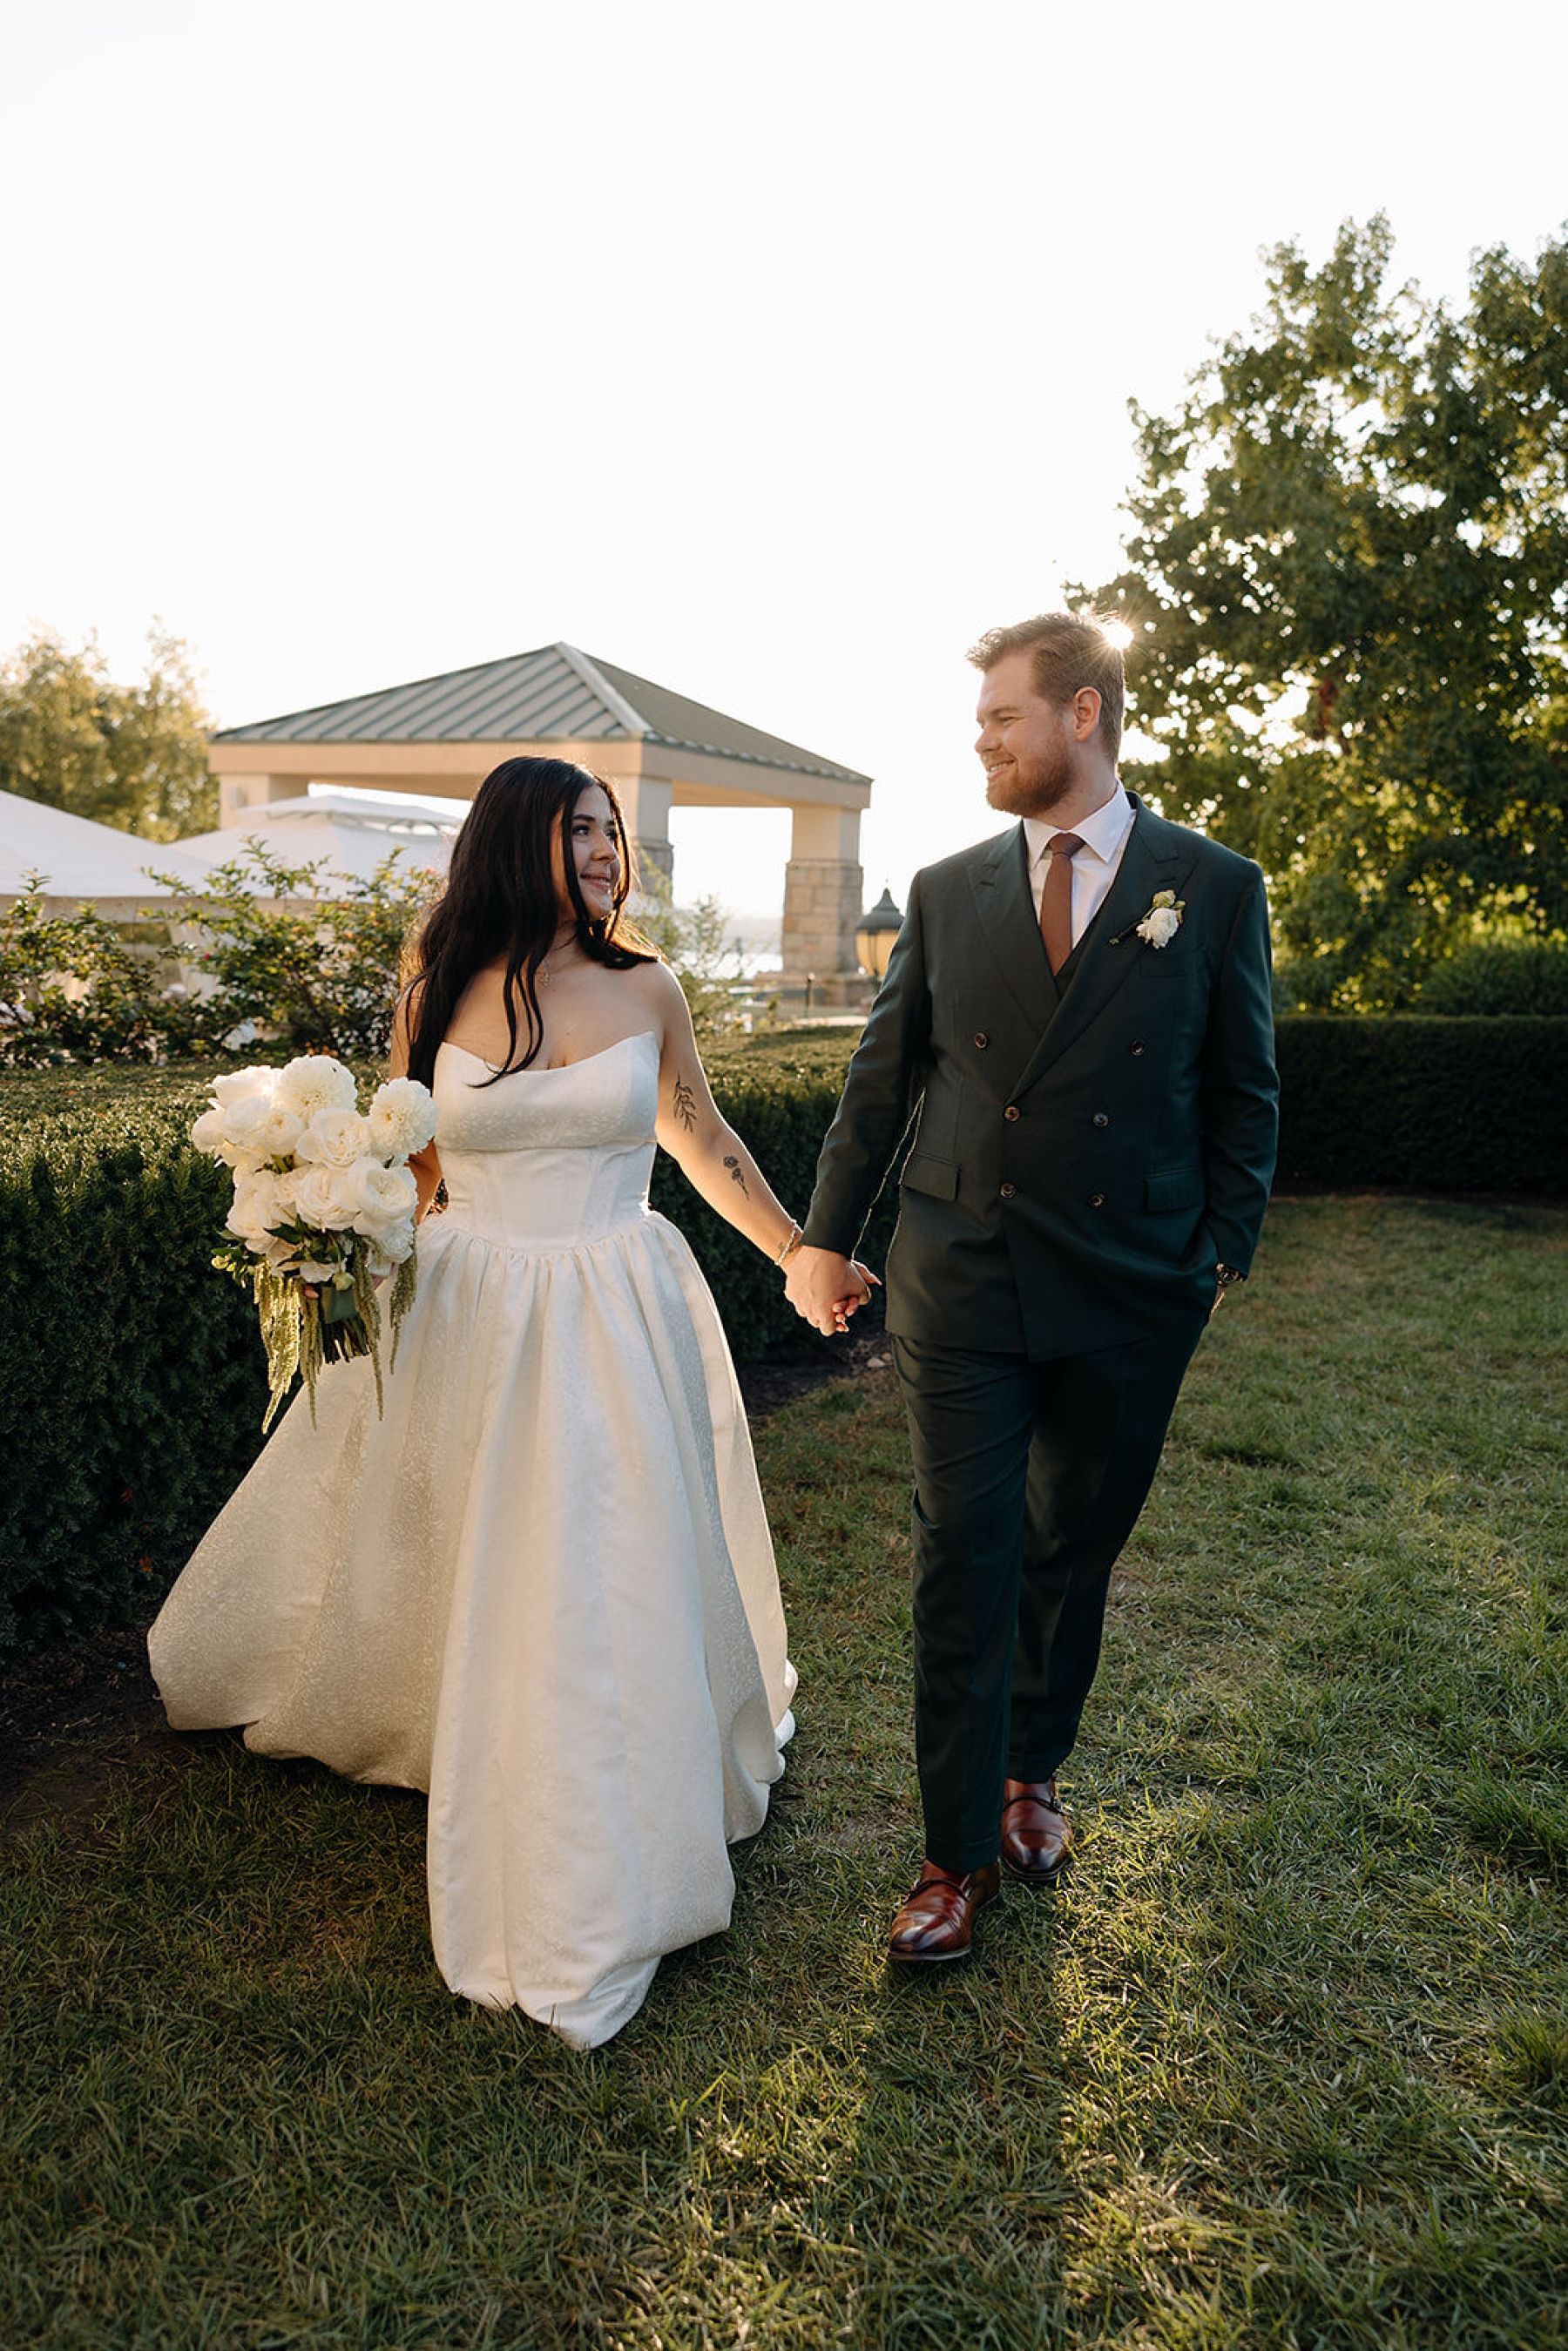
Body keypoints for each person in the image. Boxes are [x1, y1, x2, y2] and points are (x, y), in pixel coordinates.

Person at [150, 756, 810, 2049]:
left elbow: (703, 1138)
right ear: (519, 843)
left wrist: (797, 1253)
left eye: (612, 833)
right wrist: (327, 1238)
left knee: (598, 1547)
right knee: (457, 1533)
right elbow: (412, 1165)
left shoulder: (648, 986)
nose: (609, 853)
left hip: (610, 1298)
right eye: (582, 832)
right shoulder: (439, 987)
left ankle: (607, 1764)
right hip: (470, 1300)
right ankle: (456, 1712)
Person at [786, 613, 1279, 1963]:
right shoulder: (948, 890)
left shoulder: (1211, 885)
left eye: (1002, 717)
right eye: (980, 723)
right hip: (964, 1269)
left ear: (1082, 713)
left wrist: (1219, 1251)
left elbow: (1244, 1088)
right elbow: (881, 1080)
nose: (983, 743)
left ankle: (1031, 1771)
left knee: (1072, 1546)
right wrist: (824, 1236)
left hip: (1135, 1280)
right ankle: (950, 1858)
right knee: (966, 1552)